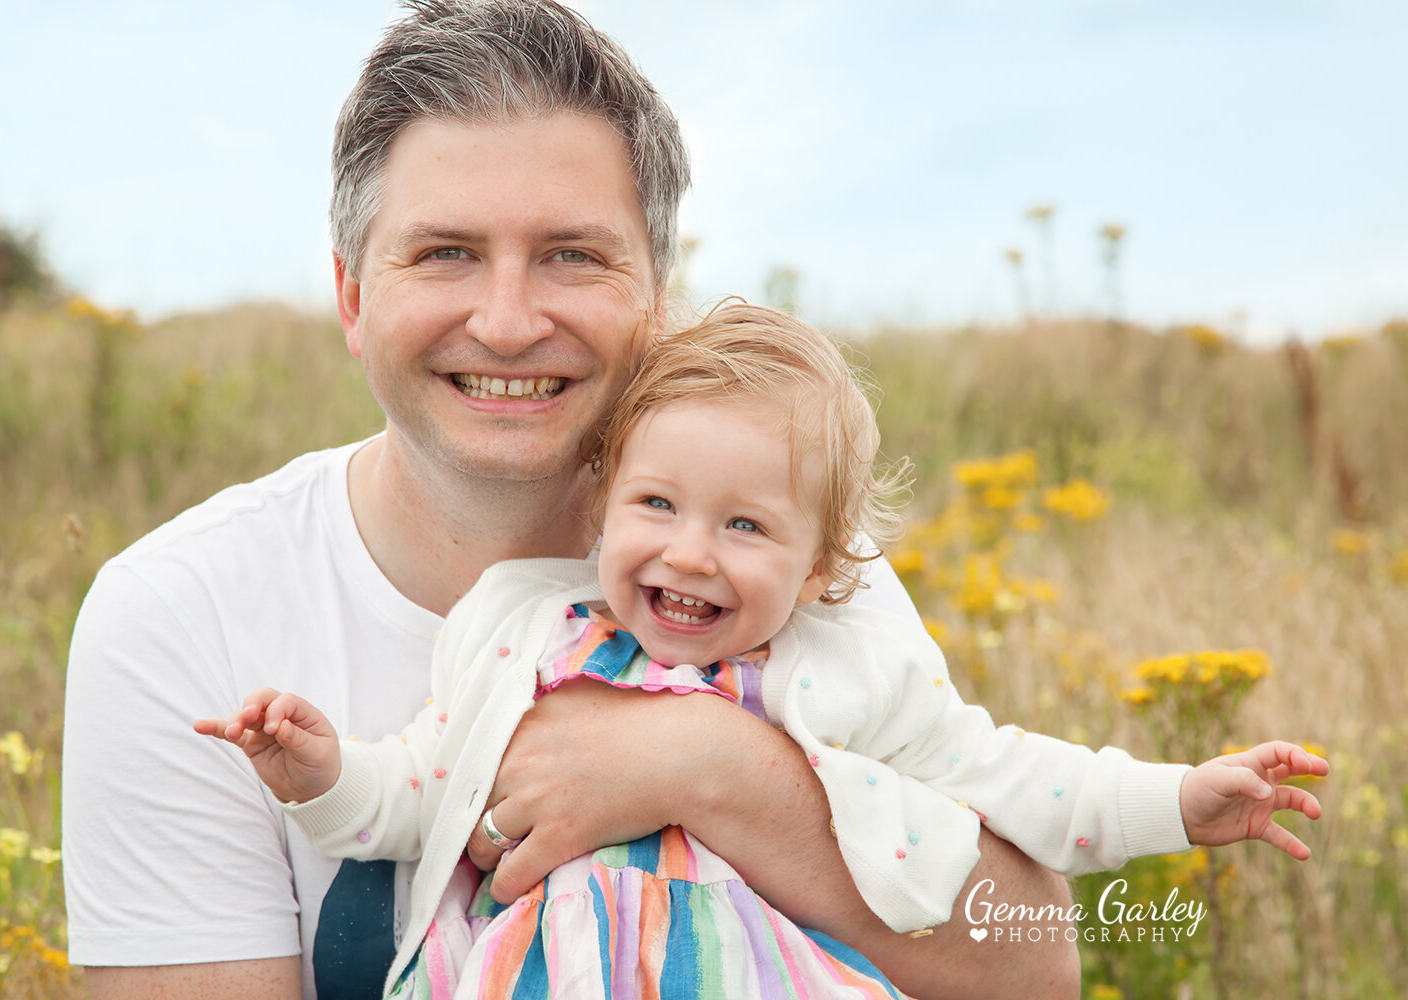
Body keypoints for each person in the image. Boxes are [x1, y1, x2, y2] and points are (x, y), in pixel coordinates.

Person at [63, 3, 1082, 999]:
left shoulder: (777, 566)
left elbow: (1032, 966)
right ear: (354, 297)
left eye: (573, 255)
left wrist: (703, 763)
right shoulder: (178, 616)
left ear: (659, 297)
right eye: (445, 252)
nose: (507, 323)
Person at [196, 303, 1328, 1000]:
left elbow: (1016, 776)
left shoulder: (840, 667)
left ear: (825, 563)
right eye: (657, 504)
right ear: (600, 511)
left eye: (745, 526)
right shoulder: (523, 636)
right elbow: (412, 792)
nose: (691, 554)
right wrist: (321, 768)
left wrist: (1181, 799)